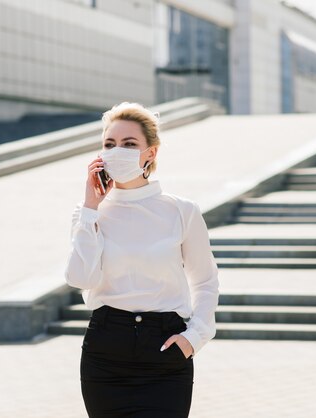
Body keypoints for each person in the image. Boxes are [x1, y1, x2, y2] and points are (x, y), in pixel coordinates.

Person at [64, 101, 220, 418]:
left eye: (129, 144)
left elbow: (204, 280)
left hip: (166, 350)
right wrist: (91, 208)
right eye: (109, 144)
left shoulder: (181, 210)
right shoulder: (88, 214)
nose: (116, 151)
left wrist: (195, 337)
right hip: (107, 352)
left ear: (151, 153)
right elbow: (81, 279)